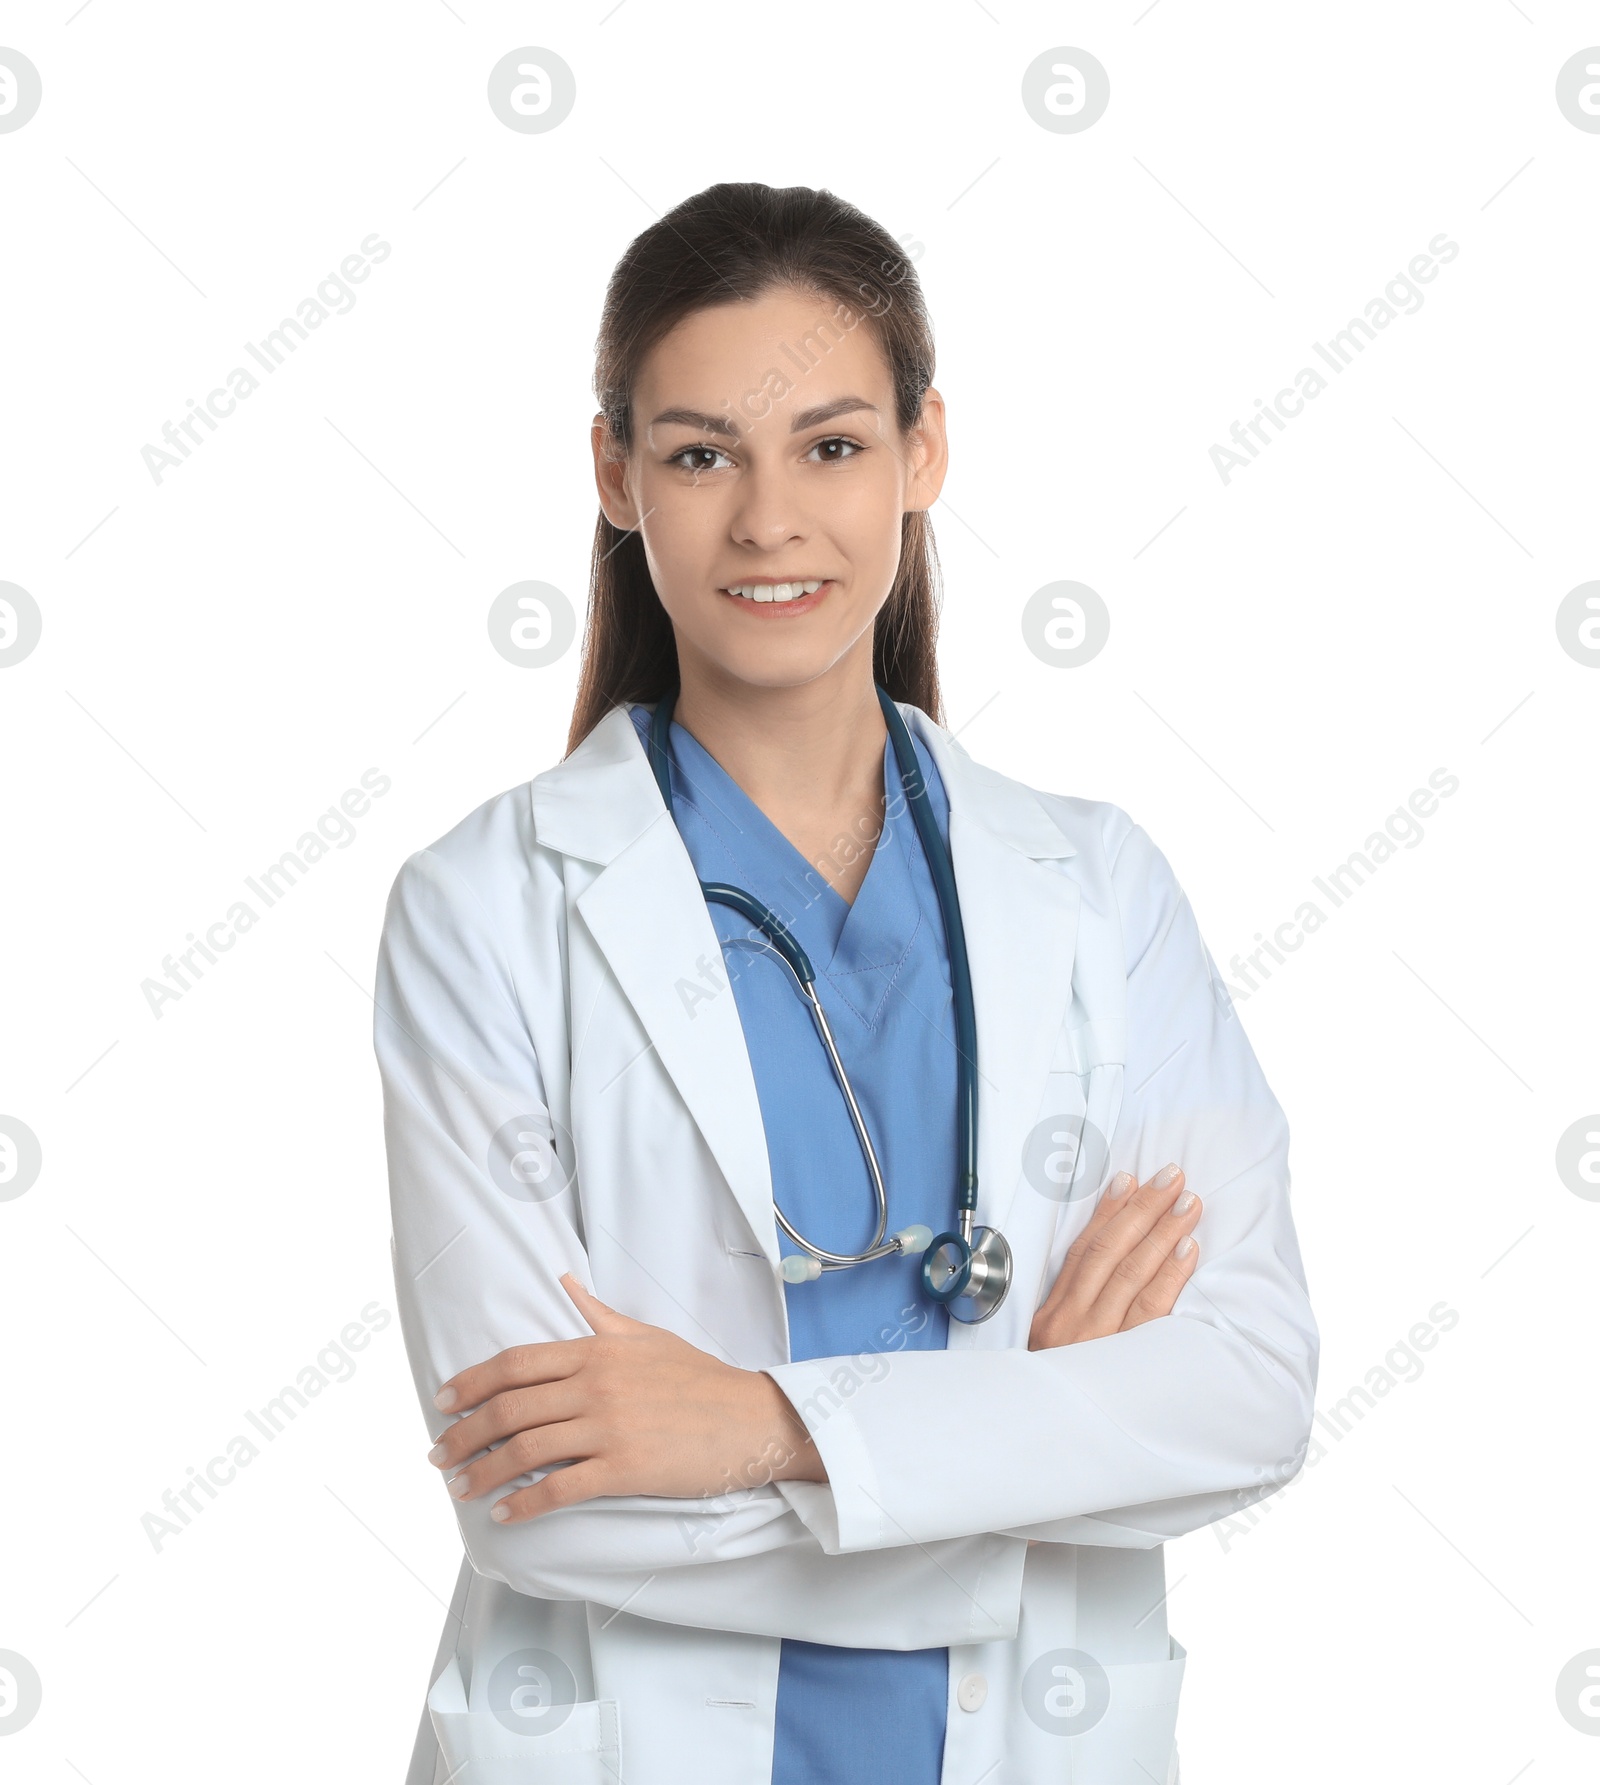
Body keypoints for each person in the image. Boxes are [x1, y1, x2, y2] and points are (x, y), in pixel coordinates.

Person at [372, 180, 1318, 1785]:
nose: (768, 521)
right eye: (697, 454)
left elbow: (1246, 1390)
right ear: (616, 475)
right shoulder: (483, 908)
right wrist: (1035, 1444)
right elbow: (536, 1487)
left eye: (830, 445)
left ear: (923, 452)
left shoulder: (1096, 890)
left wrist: (762, 1422)